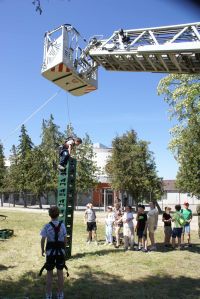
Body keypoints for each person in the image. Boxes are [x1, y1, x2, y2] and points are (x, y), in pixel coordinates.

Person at [40, 206, 67, 299]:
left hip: (50, 252)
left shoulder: (46, 226)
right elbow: (65, 239)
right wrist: (64, 250)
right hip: (60, 252)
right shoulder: (62, 225)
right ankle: (60, 293)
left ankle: (48, 294)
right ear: (58, 214)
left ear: (49, 215)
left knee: (49, 273)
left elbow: (43, 239)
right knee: (60, 273)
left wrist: (42, 250)